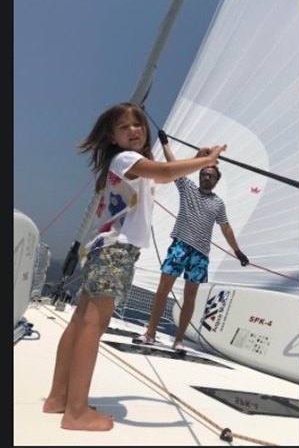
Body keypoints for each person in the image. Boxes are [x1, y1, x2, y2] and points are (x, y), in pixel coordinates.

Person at [42, 102, 226, 431]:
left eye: (138, 124)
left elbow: (166, 177)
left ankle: (59, 398)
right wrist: (207, 160)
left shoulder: (130, 166)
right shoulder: (126, 159)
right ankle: (77, 412)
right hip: (117, 250)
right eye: (124, 126)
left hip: (103, 248)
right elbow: (166, 173)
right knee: (93, 325)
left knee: (81, 321)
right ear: (112, 137)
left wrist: (194, 157)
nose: (133, 130)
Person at [133, 129, 249, 352]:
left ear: (216, 181)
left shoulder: (218, 203)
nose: (207, 178)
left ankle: (179, 341)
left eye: (211, 176)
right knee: (163, 289)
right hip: (180, 246)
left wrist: (237, 251)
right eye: (204, 174)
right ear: (199, 175)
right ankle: (150, 333)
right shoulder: (188, 189)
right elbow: (173, 165)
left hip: (200, 254)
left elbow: (225, 228)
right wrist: (165, 143)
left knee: (190, 298)